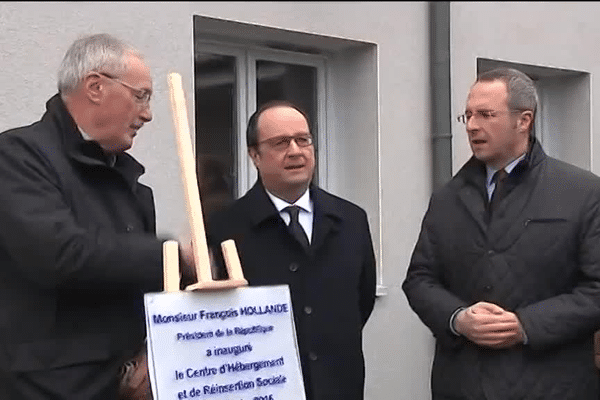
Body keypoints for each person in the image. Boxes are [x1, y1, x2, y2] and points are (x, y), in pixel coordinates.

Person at [0, 33, 193, 399]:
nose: (148, 114)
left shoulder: (129, 180)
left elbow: (135, 284)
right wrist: (172, 254)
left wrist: (154, 354)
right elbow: (60, 254)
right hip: (49, 387)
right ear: (95, 87)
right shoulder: (18, 157)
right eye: (141, 96)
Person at [402, 67, 600, 399]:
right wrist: (458, 318)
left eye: (486, 115)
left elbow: (596, 289)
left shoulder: (581, 192)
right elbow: (420, 279)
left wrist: (525, 326)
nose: (473, 126)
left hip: (553, 385)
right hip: (464, 384)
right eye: (467, 116)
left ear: (524, 120)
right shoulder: (448, 198)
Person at [207, 100, 377, 400]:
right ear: (254, 155)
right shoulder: (224, 229)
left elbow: (360, 302)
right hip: (261, 388)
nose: (296, 151)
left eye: (303, 140)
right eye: (281, 143)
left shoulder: (351, 220)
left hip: (339, 387)